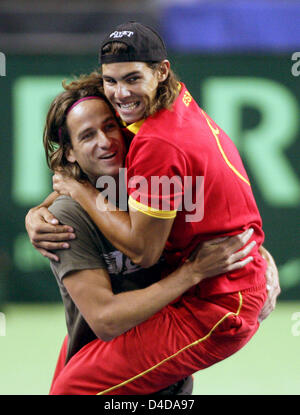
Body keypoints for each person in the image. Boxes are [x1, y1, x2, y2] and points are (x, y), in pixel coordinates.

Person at [25, 22, 280, 394]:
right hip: (202, 288)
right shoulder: (169, 104)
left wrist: (79, 192)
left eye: (132, 78)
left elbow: (144, 252)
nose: (120, 93)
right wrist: (42, 209)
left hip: (215, 299)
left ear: (161, 71)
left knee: (72, 390)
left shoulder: (157, 143)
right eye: (110, 81)